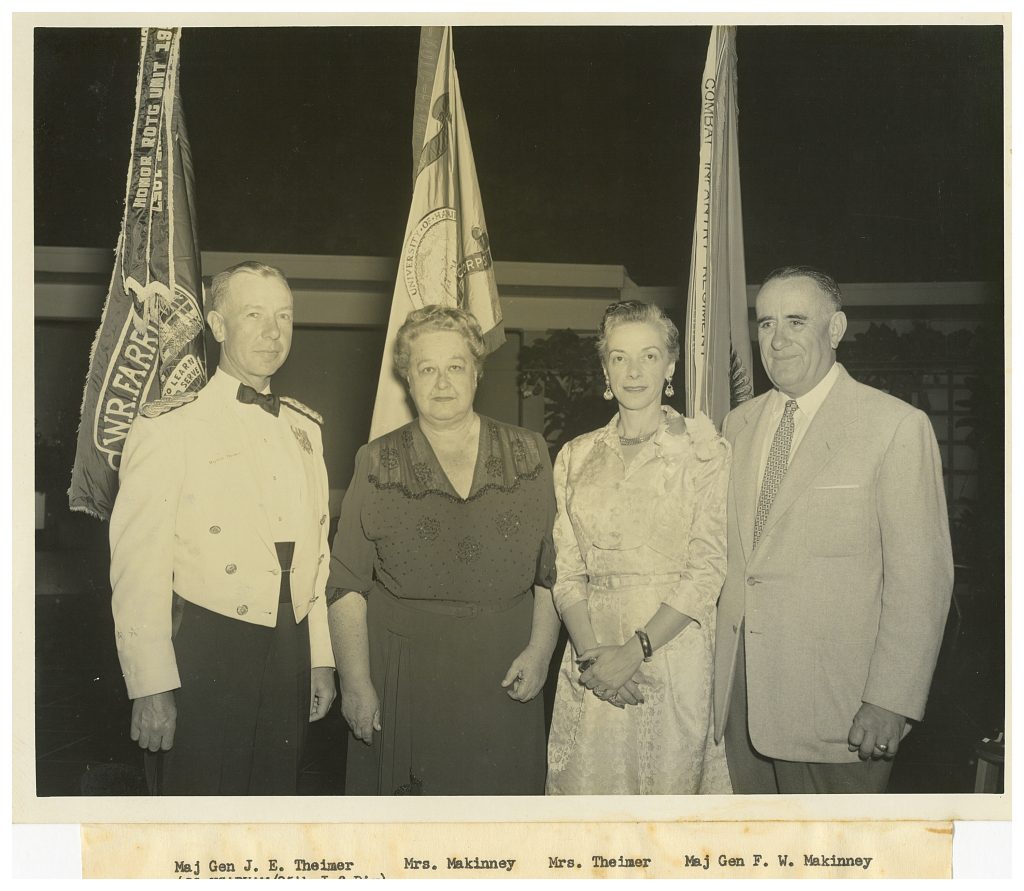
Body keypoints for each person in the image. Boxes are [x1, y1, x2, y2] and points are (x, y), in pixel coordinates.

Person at [714, 265, 954, 794]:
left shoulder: (893, 427)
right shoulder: (739, 425)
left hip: (839, 712)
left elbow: (921, 581)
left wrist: (891, 700)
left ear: (836, 329)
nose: (777, 340)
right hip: (740, 703)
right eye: (766, 323)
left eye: (797, 322)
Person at [109, 260, 336, 795]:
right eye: (253, 314)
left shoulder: (306, 428)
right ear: (216, 325)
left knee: (272, 808)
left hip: (290, 643)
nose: (272, 331)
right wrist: (150, 686)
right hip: (208, 648)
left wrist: (320, 659)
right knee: (197, 813)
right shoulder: (170, 426)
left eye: (284, 316)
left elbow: (317, 558)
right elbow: (138, 567)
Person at [327, 305, 560, 795]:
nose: (442, 382)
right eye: (426, 369)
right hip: (405, 675)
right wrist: (355, 682)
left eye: (455, 366)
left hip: (505, 670)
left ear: (476, 371)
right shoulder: (376, 460)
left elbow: (551, 573)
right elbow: (346, 585)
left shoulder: (530, 452)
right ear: (406, 378)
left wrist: (540, 651)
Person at [545, 300, 732, 795]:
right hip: (592, 657)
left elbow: (708, 569)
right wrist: (594, 659)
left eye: (648, 357)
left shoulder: (703, 451)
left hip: (672, 655)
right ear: (604, 367)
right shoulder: (575, 456)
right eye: (619, 357)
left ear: (670, 366)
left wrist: (634, 651)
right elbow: (567, 572)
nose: (633, 371)